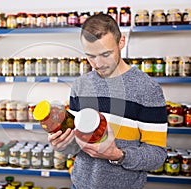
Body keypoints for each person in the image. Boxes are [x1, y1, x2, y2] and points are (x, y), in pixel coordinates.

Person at [48, 13, 168, 189]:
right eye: (91, 56)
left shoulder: (147, 89)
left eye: (105, 54)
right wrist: (62, 144)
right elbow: (75, 145)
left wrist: (117, 155)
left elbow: (157, 155)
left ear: (121, 42)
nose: (98, 63)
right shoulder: (80, 85)